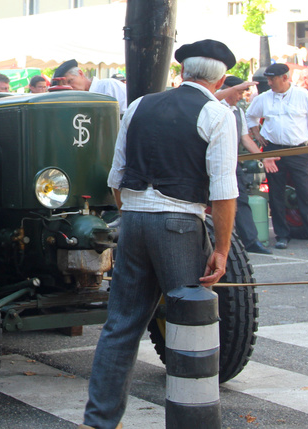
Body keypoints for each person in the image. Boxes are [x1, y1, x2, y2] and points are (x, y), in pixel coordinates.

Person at [81, 40, 238, 429]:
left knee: (121, 325)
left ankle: (98, 422)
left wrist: (136, 213)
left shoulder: (139, 106)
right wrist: (221, 247)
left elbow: (116, 178)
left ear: (183, 72)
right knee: (189, 322)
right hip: (179, 223)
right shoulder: (217, 113)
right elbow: (223, 191)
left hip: (133, 220)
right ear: (218, 79)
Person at [245, 63, 308, 252]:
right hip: (273, 149)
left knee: (306, 193)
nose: (269, 83)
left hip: (297, 150)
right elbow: (250, 116)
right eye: (268, 79)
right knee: (276, 193)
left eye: (272, 79)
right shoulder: (264, 98)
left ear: (285, 78)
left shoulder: (303, 96)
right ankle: (282, 235)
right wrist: (256, 133)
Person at [217, 75, 276, 255]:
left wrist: (263, 157)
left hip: (231, 162)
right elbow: (211, 96)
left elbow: (246, 139)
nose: (241, 97)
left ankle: (250, 241)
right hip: (210, 162)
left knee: (241, 199)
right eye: (240, 92)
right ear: (229, 90)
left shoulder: (238, 112)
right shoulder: (215, 105)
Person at [55, 59, 128, 116]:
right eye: (65, 85)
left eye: (70, 81)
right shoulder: (75, 101)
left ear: (80, 73)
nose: (69, 87)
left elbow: (128, 113)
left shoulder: (108, 86)